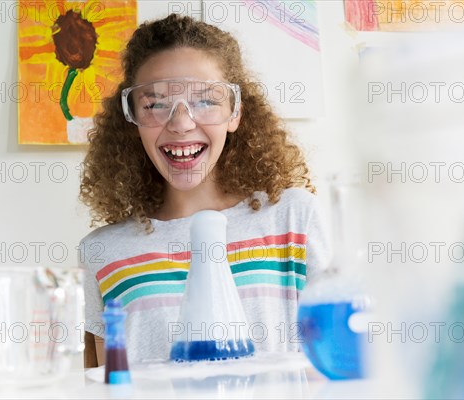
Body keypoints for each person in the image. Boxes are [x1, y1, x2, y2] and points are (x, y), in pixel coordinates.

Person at [78, 13, 331, 367]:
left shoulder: (294, 217)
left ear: (235, 113)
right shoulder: (103, 251)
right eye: (156, 104)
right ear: (133, 119)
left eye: (206, 100)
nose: (181, 123)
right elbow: (106, 383)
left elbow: (339, 362)